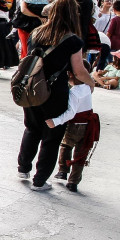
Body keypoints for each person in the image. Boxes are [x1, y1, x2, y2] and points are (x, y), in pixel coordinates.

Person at [17, 0, 94, 190]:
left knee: (32, 128)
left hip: (33, 87)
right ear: (72, 15)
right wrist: (91, 83)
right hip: (55, 92)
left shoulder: (37, 33)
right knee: (51, 136)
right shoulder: (72, 40)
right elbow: (78, 71)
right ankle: (40, 180)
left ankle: (23, 167)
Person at [49, 65, 100, 193]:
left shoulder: (74, 93)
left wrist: (55, 121)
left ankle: (63, 171)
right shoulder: (88, 88)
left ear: (71, 75)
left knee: (66, 146)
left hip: (75, 126)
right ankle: (73, 182)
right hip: (88, 126)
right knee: (81, 154)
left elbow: (70, 113)